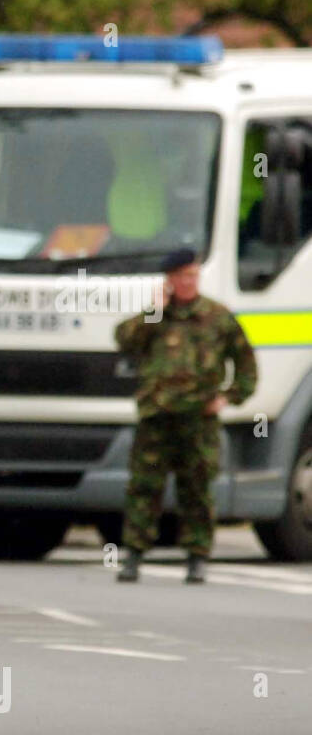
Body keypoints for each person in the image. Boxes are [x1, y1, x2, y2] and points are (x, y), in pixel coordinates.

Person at [115, 249, 257, 583]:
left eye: (192, 275)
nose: (187, 282)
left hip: (198, 418)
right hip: (156, 415)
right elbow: (125, 340)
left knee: (196, 488)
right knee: (144, 487)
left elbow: (246, 365)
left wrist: (229, 397)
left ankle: (197, 557)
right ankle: (134, 554)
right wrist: (155, 310)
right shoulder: (155, 316)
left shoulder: (217, 316)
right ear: (169, 280)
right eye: (181, 276)